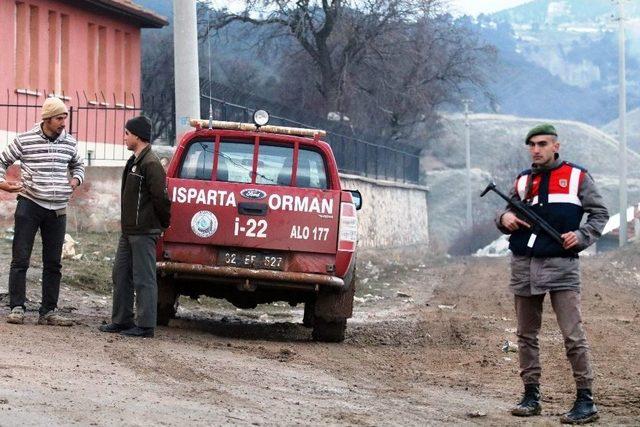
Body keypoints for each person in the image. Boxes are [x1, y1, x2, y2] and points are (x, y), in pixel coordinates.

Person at [496, 123, 609, 424]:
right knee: (525, 335)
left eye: (542, 144)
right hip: (524, 264)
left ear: (556, 146)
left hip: (561, 266)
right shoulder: (522, 181)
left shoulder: (577, 177)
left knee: (573, 335)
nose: (536, 149)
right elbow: (505, 212)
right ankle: (530, 396)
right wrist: (505, 217)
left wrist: (582, 235)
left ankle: (586, 400)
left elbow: (599, 214)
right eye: (532, 144)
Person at [0, 97, 85, 326]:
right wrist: (3, 183)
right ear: (47, 119)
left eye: (65, 118)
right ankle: (17, 307)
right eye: (59, 118)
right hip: (30, 204)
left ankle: (48, 311)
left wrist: (76, 180)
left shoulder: (69, 142)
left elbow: (78, 165)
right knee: (21, 259)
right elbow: (2, 160)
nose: (63, 123)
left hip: (57, 209)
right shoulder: (25, 140)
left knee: (53, 262)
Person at [99, 116, 171, 338]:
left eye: (127, 134)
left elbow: (161, 198)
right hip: (128, 231)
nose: (124, 137)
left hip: (143, 231)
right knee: (120, 274)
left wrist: (162, 224)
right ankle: (121, 320)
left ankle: (146, 324)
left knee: (144, 278)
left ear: (138, 136)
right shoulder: (134, 161)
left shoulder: (151, 164)